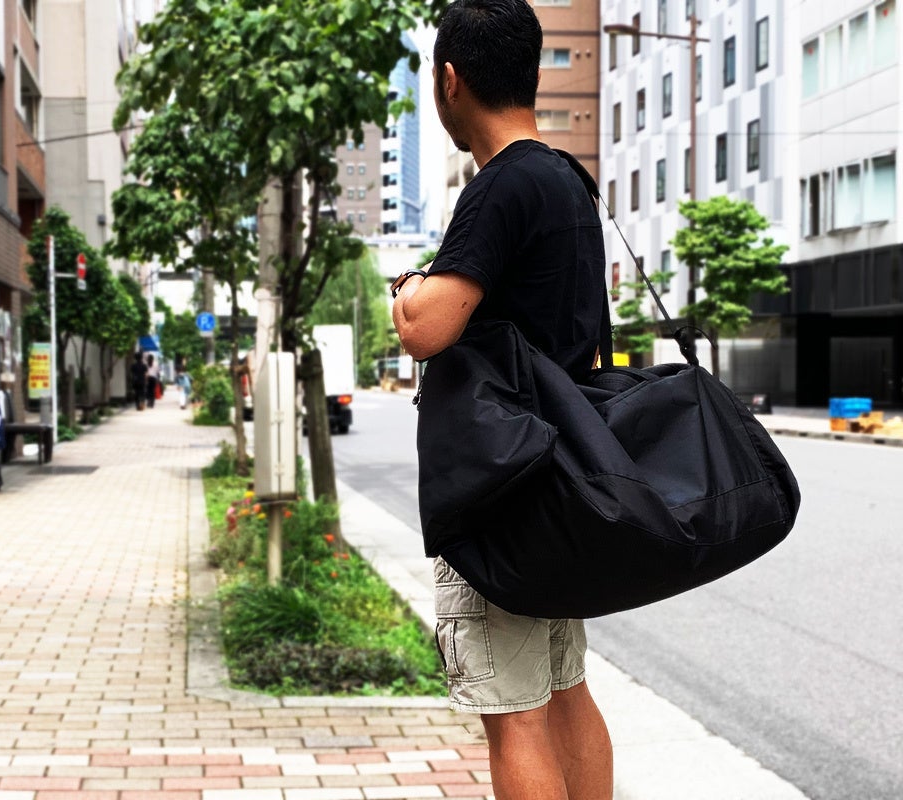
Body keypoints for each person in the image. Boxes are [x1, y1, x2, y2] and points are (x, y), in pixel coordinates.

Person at [390, 1, 613, 798]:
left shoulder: (501, 186)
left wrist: (406, 288)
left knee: (514, 716)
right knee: (566, 690)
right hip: (559, 480)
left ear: (450, 80)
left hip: (501, 491)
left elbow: (426, 327)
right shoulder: (568, 181)